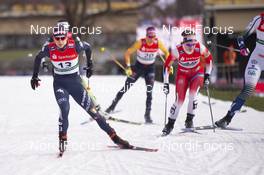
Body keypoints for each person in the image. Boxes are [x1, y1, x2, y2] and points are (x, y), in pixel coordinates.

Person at [30, 22, 132, 153]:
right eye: (57, 38)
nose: (60, 41)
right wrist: (34, 76)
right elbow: (38, 57)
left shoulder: (75, 45)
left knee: (94, 113)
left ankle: (115, 137)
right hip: (60, 84)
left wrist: (90, 65)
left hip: (75, 83)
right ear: (53, 38)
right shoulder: (49, 47)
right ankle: (62, 138)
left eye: (63, 38)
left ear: (67, 36)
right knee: (65, 108)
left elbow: (88, 47)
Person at [105, 26, 170, 123]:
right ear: (146, 35)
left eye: (153, 37)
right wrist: (128, 67)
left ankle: (147, 115)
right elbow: (127, 53)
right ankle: (112, 106)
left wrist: (168, 64)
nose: (151, 39)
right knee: (126, 87)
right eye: (149, 36)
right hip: (138, 67)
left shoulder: (158, 43)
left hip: (150, 69)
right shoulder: (140, 42)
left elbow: (167, 52)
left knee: (149, 92)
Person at [215, 13, 264, 128]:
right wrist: (242, 47)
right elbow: (241, 37)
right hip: (257, 59)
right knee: (247, 90)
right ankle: (227, 118)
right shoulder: (259, 18)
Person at [162, 30, 213, 136]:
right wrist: (166, 83)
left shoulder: (200, 47)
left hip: (197, 74)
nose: (192, 46)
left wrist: (207, 75)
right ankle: (170, 125)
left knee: (193, 95)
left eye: (193, 43)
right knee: (179, 100)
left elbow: (209, 60)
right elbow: (166, 66)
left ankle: (189, 120)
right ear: (183, 42)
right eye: (189, 44)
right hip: (183, 75)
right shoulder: (177, 50)